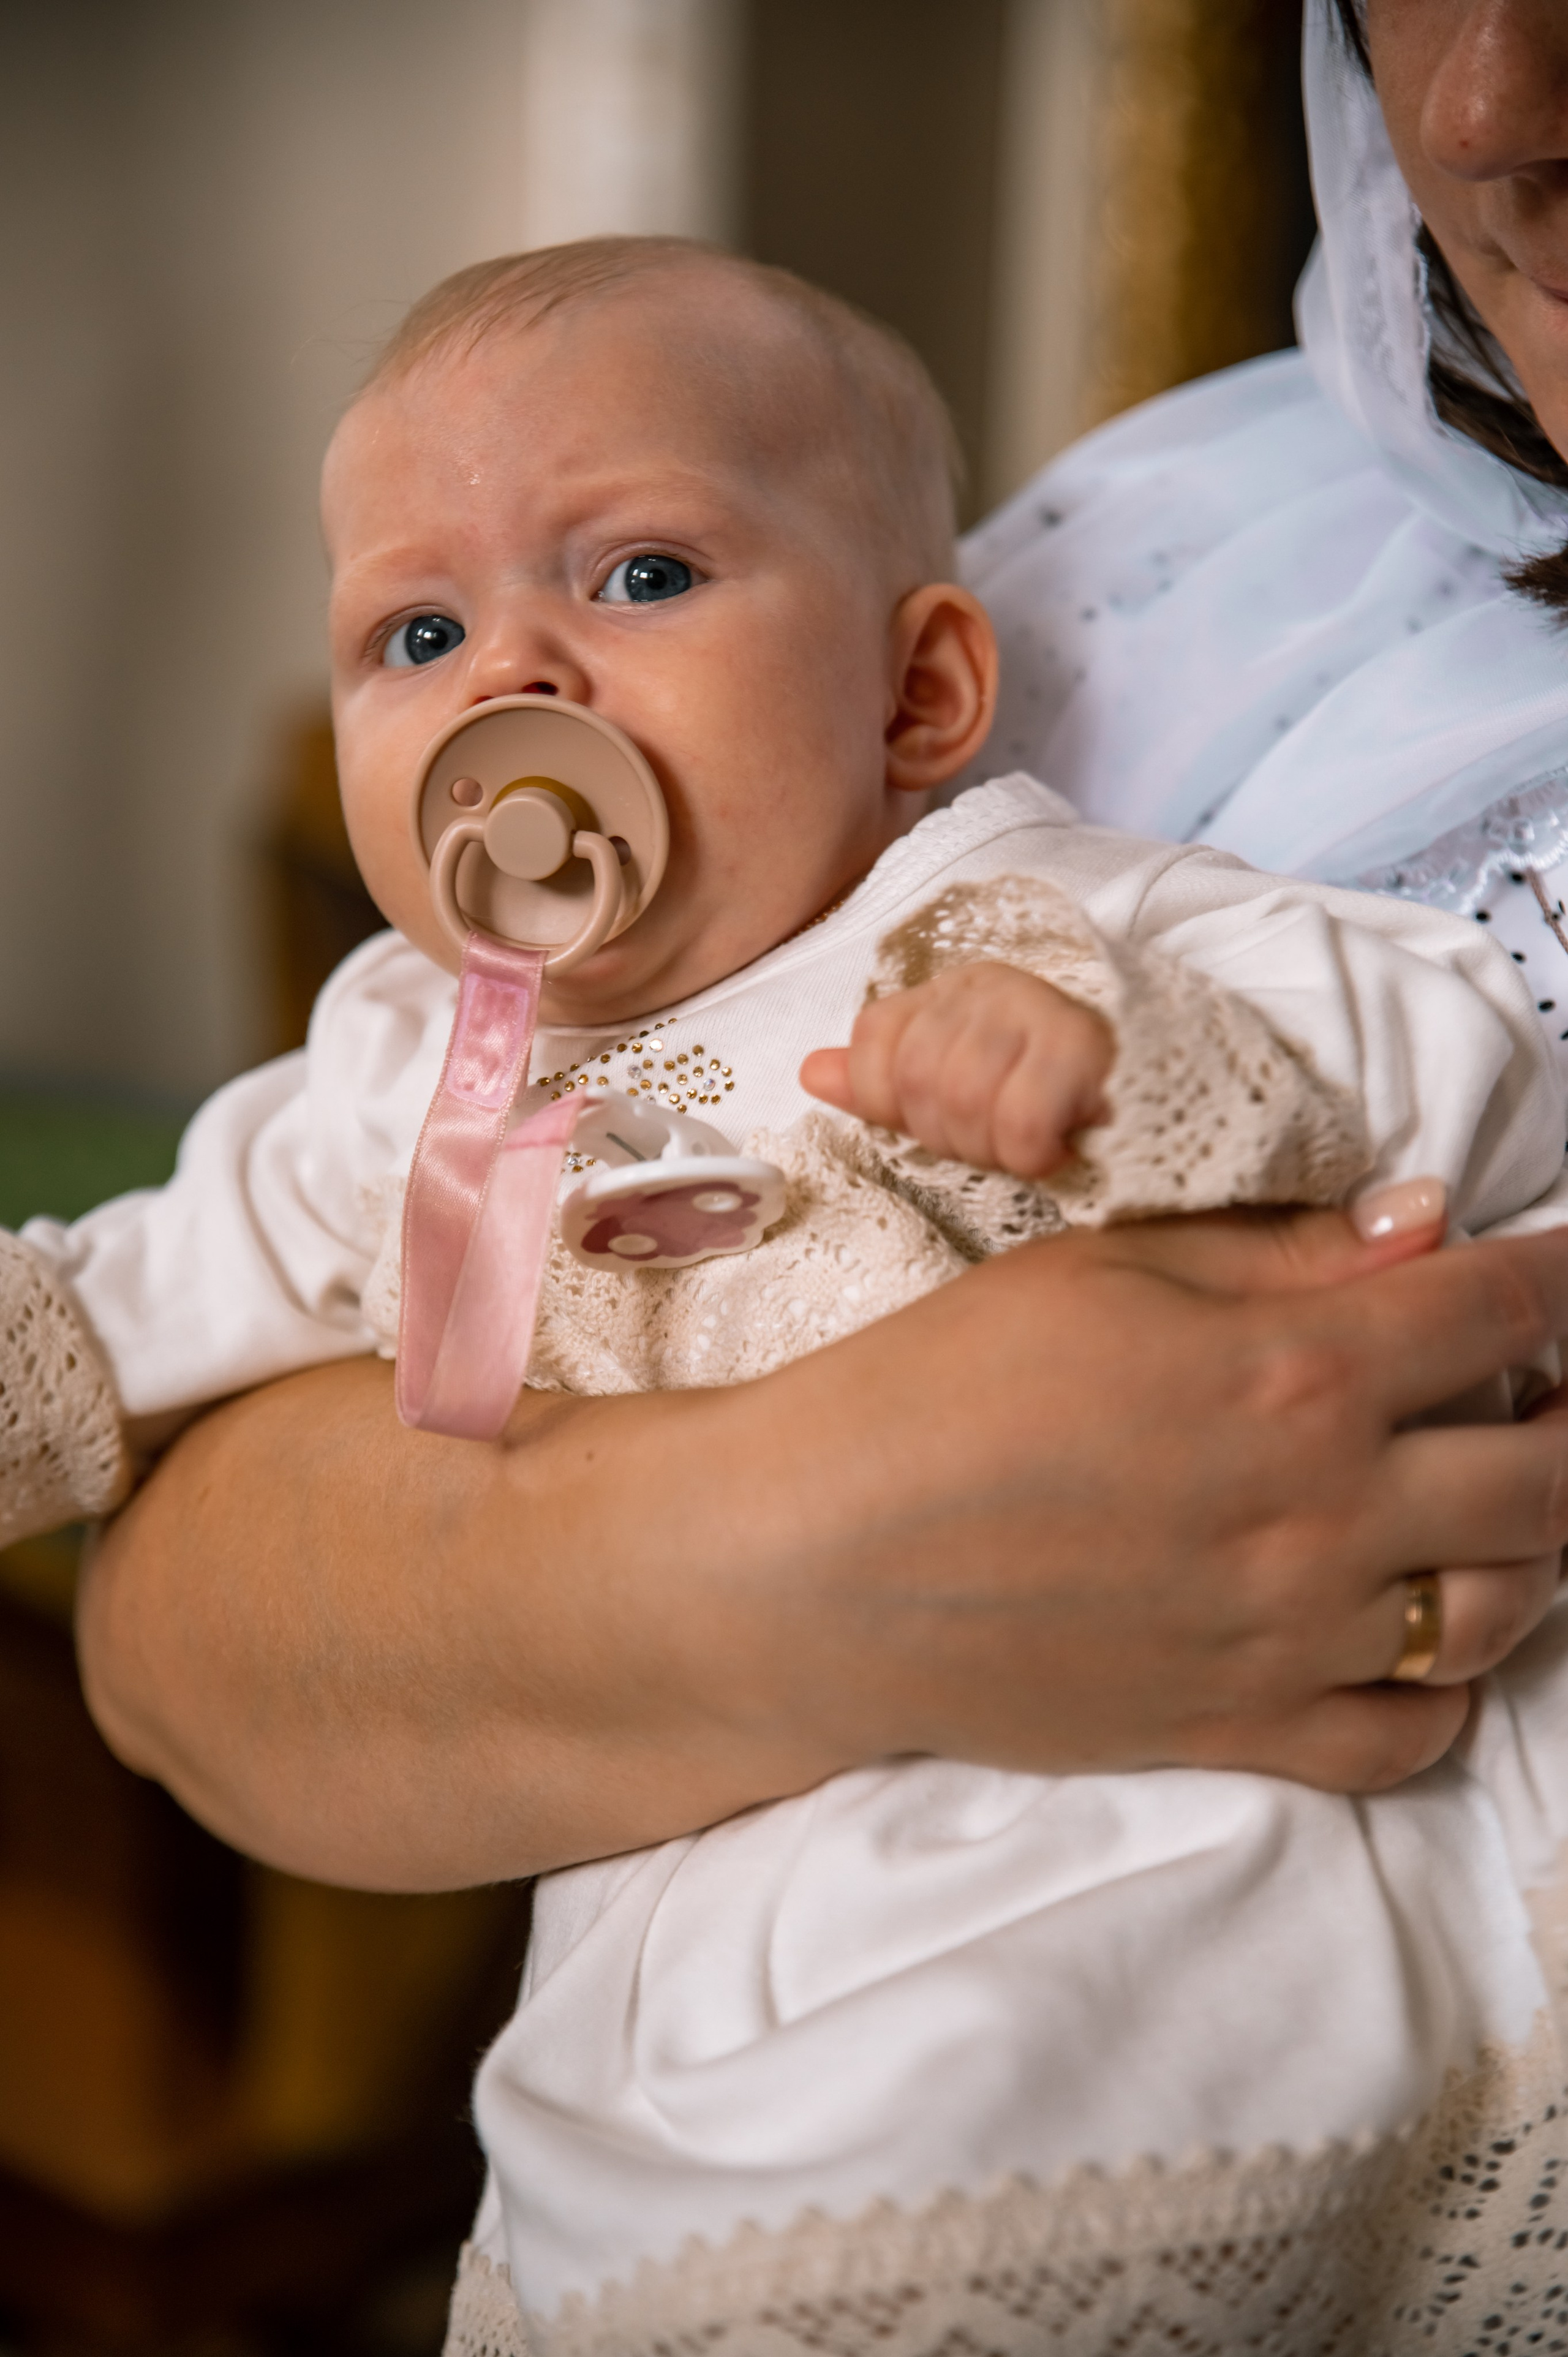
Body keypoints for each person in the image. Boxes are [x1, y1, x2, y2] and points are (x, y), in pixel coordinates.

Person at [65, 0, 1568, 2342]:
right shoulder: (415, 1068)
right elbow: (157, 1343)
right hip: (696, 1973)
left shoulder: (1026, 908)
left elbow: (1406, 1045)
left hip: (1159, 1888)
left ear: (921, 698)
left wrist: (1110, 1076)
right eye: (417, 631)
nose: (509, 683)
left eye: (641, 579)